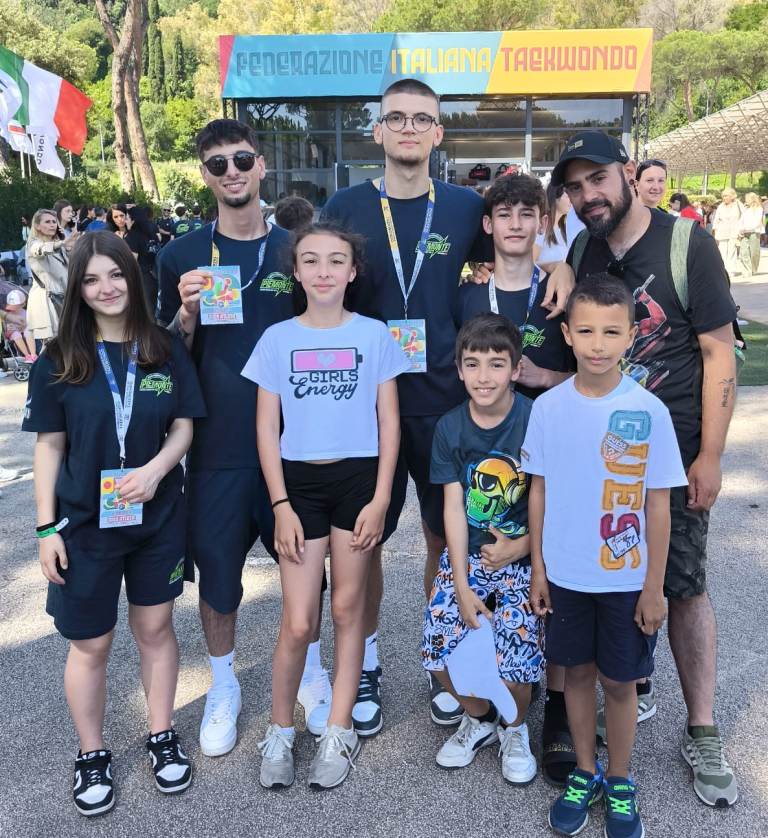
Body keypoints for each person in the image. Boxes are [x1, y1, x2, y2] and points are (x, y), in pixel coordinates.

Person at [322, 78, 572, 734]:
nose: (408, 129)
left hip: (444, 405)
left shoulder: (462, 206)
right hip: (367, 404)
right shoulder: (345, 204)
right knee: (365, 540)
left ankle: (451, 659)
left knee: (444, 537)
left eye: (421, 119)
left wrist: (562, 268)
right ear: (378, 130)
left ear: (438, 133)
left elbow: (520, 245)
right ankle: (367, 662)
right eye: (396, 118)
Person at [550, 129, 739, 807]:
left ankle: (703, 729)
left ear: (628, 172)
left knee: (681, 586)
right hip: (597, 464)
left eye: (597, 178)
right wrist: (562, 267)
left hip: (671, 459)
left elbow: (719, 353)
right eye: (575, 187)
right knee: (602, 579)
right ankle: (626, 688)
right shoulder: (583, 250)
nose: (588, 195)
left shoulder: (687, 243)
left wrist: (710, 455)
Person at [22, 232, 206, 816]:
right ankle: (91, 752)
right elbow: (49, 447)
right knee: (92, 643)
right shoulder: (58, 358)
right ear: (77, 288)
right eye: (92, 279)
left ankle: (161, 734)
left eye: (116, 274)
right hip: (83, 525)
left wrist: (155, 471)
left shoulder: (163, 347)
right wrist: (45, 530)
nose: (107, 288)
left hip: (158, 517)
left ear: (133, 276)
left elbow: (184, 425)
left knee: (155, 629)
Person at [157, 119, 322, 759]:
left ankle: (311, 669)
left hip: (294, 443)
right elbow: (164, 356)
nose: (232, 172)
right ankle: (223, 684)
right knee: (220, 577)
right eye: (219, 163)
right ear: (205, 175)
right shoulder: (179, 255)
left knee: (303, 571)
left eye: (242, 160)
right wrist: (186, 315)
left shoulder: (297, 249)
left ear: (261, 167)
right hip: (218, 448)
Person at [244, 223, 407, 790]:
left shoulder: (374, 336)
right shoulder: (277, 339)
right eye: (310, 260)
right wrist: (280, 504)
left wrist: (382, 497)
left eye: (336, 261)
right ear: (295, 271)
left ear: (353, 271)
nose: (323, 271)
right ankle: (280, 729)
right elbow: (265, 428)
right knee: (298, 621)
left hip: (359, 481)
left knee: (347, 609)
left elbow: (390, 423)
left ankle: (339, 728)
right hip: (298, 487)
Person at [524, 274, 687, 838]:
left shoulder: (649, 411)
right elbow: (539, 491)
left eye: (611, 332)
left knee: (619, 683)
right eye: (587, 331)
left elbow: (658, 504)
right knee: (576, 675)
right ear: (567, 334)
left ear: (630, 337)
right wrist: (539, 569)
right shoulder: (548, 408)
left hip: (625, 580)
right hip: (566, 576)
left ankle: (619, 778)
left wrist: (653, 587)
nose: (598, 344)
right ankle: (585, 771)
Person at [423, 312, 544, 782]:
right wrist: (460, 581)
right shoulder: (450, 428)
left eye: (496, 364)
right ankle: (480, 720)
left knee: (515, 661)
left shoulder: (534, 419)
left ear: (515, 369)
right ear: (459, 370)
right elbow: (453, 508)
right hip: (469, 559)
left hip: (524, 558)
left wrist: (522, 548)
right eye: (472, 364)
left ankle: (515, 727)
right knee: (438, 651)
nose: (484, 376)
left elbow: (553, 498)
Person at [458, 175, 574, 402]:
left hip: (551, 422)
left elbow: (592, 377)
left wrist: (546, 377)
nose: (515, 225)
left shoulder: (562, 294)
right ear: (488, 224)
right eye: (504, 215)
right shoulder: (466, 296)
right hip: (486, 424)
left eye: (526, 214)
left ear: (542, 224)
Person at [26, 209, 75, 343]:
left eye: (54, 221)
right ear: (37, 226)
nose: (52, 225)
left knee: (69, 342)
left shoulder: (60, 245)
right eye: (47, 222)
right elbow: (41, 249)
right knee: (52, 346)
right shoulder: (34, 244)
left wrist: (69, 248)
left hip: (64, 298)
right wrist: (62, 243)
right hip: (47, 302)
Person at [125, 205, 160, 314]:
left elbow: (131, 261)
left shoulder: (132, 236)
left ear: (133, 220)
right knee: (154, 307)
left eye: (127, 218)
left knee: (145, 309)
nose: (125, 221)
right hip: (155, 275)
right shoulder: (151, 234)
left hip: (142, 277)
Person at [712, 188, 742, 276]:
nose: (724, 198)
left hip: (734, 231)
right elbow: (716, 220)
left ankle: (731, 270)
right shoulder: (721, 206)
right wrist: (715, 231)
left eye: (726, 196)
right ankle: (723, 270)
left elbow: (743, 217)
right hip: (722, 231)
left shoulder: (738, 205)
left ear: (732, 196)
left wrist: (741, 229)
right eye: (723, 196)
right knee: (722, 251)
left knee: (732, 251)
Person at [2, 287, 37, 361]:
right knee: (15, 334)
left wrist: (23, 327)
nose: (13, 309)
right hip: (13, 333)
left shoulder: (26, 313)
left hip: (25, 331)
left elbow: (31, 325)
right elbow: (6, 334)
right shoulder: (8, 316)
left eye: (15, 306)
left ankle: (33, 354)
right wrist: (11, 330)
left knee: (28, 331)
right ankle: (27, 355)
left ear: (23, 305)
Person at [738, 192, 763, 277]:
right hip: (744, 233)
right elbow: (741, 220)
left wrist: (747, 228)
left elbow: (757, 222)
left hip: (754, 232)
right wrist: (740, 230)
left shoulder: (759, 209)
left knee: (754, 252)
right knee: (744, 252)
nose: (746, 200)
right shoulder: (745, 209)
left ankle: (753, 269)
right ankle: (747, 270)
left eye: (747, 198)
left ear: (752, 199)